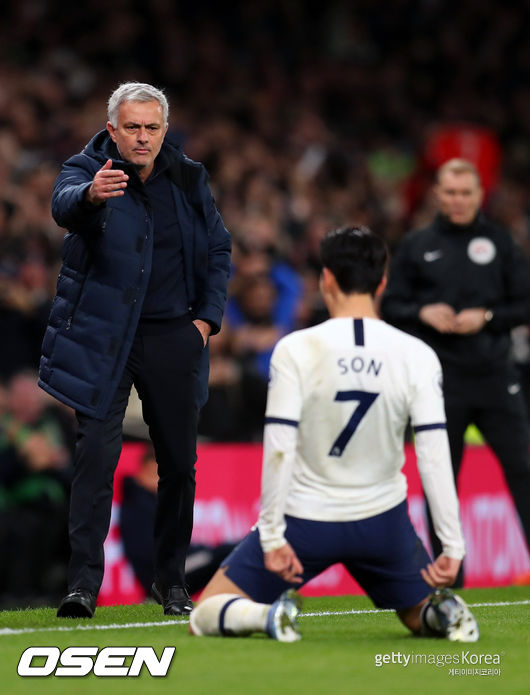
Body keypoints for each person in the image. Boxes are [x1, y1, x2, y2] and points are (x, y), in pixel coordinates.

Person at [190, 226, 479, 643]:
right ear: (382, 281)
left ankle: (268, 619)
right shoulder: (417, 355)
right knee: (419, 617)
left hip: (307, 520)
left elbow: (279, 449)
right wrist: (452, 545)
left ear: (326, 279)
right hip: (383, 523)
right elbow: (435, 455)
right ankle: (441, 614)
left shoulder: (296, 348)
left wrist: (272, 535)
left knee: (206, 613)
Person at [38, 82, 231, 618]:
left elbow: (217, 247)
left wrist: (205, 321)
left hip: (174, 336)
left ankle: (171, 583)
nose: (142, 137)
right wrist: (92, 195)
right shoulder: (86, 169)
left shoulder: (190, 178)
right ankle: (82, 586)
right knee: (95, 459)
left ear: (164, 130)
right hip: (105, 338)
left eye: (151, 127)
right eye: (132, 127)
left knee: (179, 465)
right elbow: (63, 206)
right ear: (112, 130)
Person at [381, 158, 530, 583]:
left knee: (522, 470)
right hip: (439, 382)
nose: (458, 200)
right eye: (450, 192)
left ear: (480, 195)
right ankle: (452, 577)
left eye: (466, 193)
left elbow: (524, 303)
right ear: (437, 195)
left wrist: (485, 317)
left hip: (497, 376)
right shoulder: (416, 245)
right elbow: (390, 305)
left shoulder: (501, 243)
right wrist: (422, 311)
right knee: (441, 480)